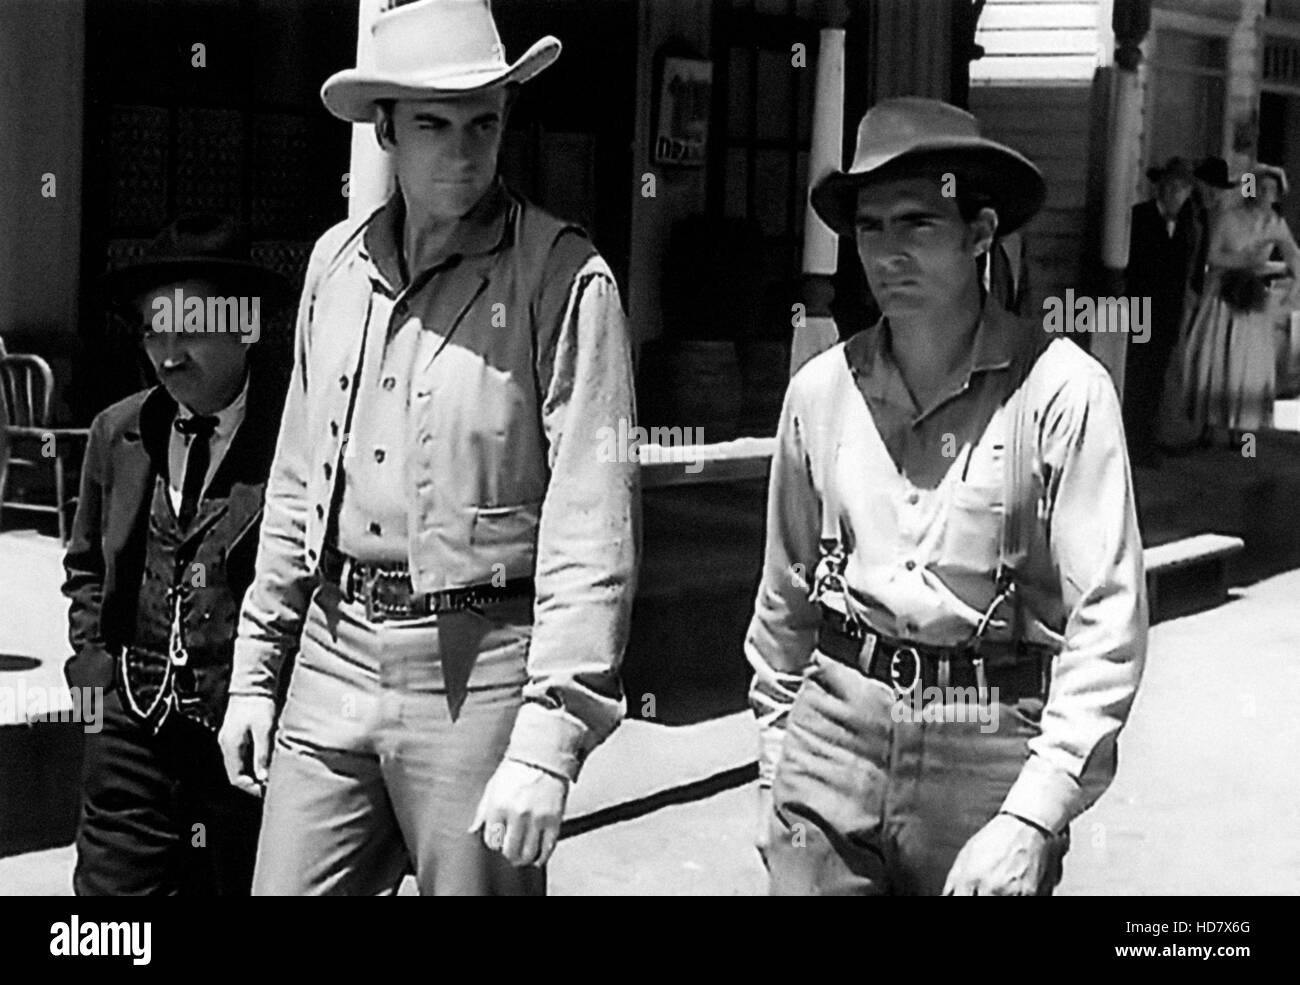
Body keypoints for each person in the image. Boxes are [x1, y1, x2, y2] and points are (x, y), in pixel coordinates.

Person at [218, 0, 639, 896]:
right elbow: (296, 483)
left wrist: (551, 732)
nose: (463, 149)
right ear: (386, 131)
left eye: (483, 121)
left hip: (477, 660)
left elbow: (590, 523)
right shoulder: (337, 266)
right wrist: (257, 673)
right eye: (434, 124)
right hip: (333, 645)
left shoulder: (563, 278)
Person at [746, 97, 1147, 896]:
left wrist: (1033, 816)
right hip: (834, 729)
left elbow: (1106, 619)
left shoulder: (1062, 393)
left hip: (986, 735)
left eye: (918, 225)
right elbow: (783, 599)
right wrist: (776, 764)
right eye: (869, 227)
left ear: (980, 233)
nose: (887, 253)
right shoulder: (821, 393)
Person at [62, 215, 290, 894]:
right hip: (128, 730)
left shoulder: (296, 439)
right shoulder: (119, 431)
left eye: (188, 326)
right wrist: (94, 674)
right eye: (153, 330)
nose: (167, 353)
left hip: (241, 739)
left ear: (245, 326)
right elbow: (86, 568)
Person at [1183, 163, 1300, 445]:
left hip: (1252, 300)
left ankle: (1240, 429)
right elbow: (1212, 257)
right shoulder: (1228, 217)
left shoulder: (1275, 225)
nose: (1264, 194)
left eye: (1271, 190)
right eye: (1260, 187)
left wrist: (1293, 286)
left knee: (1245, 364)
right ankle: (1208, 428)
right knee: (1218, 357)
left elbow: (1293, 256)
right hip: (1223, 295)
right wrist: (1245, 261)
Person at [1123, 157, 1202, 466]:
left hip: (1167, 314)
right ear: (1159, 187)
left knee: (1156, 380)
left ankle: (1146, 444)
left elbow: (1186, 271)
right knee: (1136, 378)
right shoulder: (1139, 217)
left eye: (1181, 189)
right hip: (1140, 309)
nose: (1174, 194)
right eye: (1169, 186)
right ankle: (1130, 442)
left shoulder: (1187, 225)